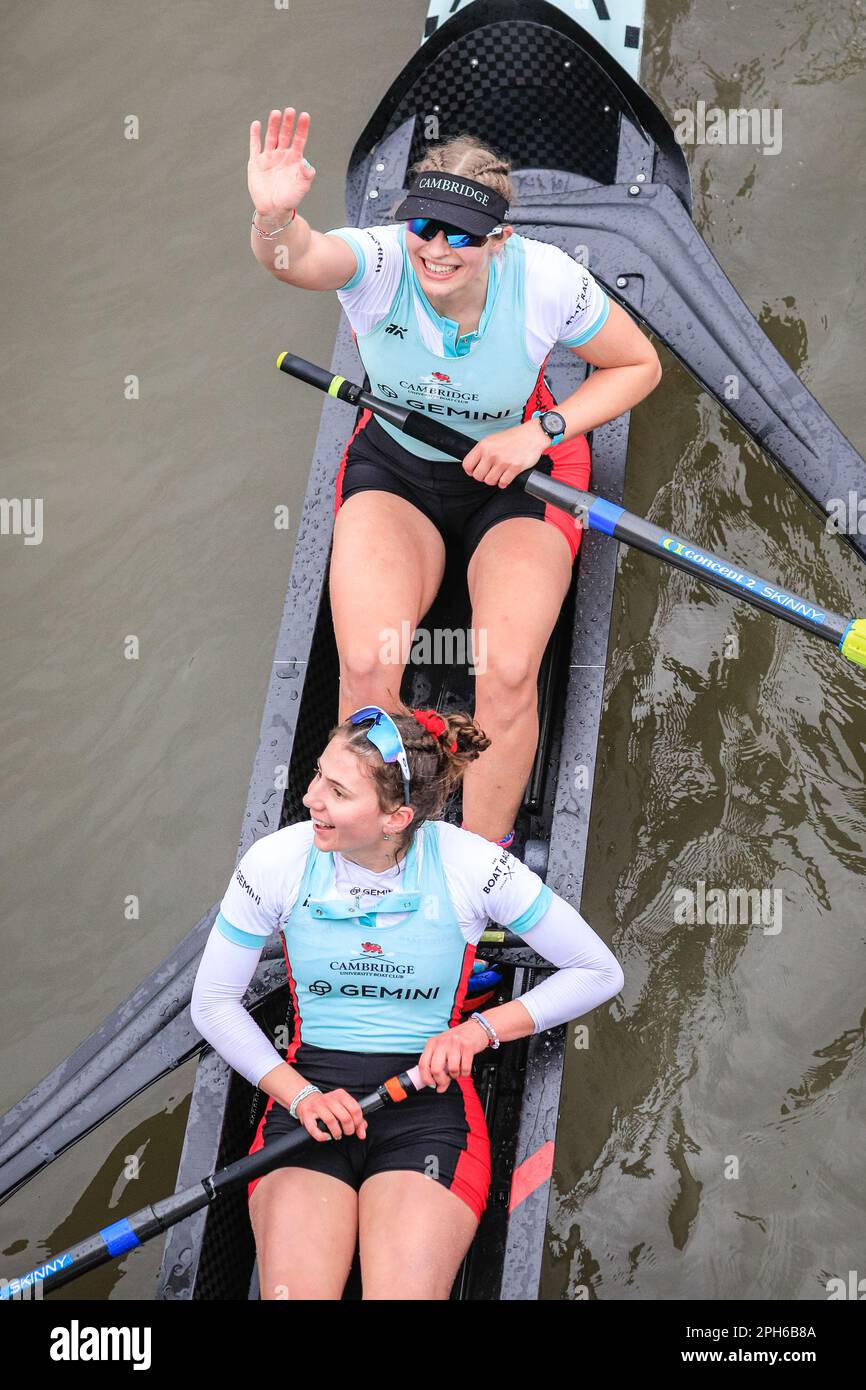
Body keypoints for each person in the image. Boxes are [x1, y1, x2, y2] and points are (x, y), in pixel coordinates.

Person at [247, 108, 662, 850]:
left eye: (462, 236)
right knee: (369, 663)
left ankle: (480, 859)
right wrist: (276, 218)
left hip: (523, 481)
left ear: (498, 240)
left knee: (501, 671)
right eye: (424, 227)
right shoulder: (377, 262)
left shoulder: (544, 280)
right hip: (399, 473)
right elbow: (293, 260)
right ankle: (378, 840)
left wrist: (542, 429)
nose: (437, 250)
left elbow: (637, 366)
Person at [191, 705, 624, 1300]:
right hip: (308, 1106)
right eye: (318, 775)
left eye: (337, 791)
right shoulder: (274, 863)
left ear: (397, 817)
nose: (311, 798)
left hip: (429, 1109)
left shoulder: (472, 865)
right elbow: (212, 1003)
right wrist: (301, 1094)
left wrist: (479, 1032)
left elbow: (599, 970)